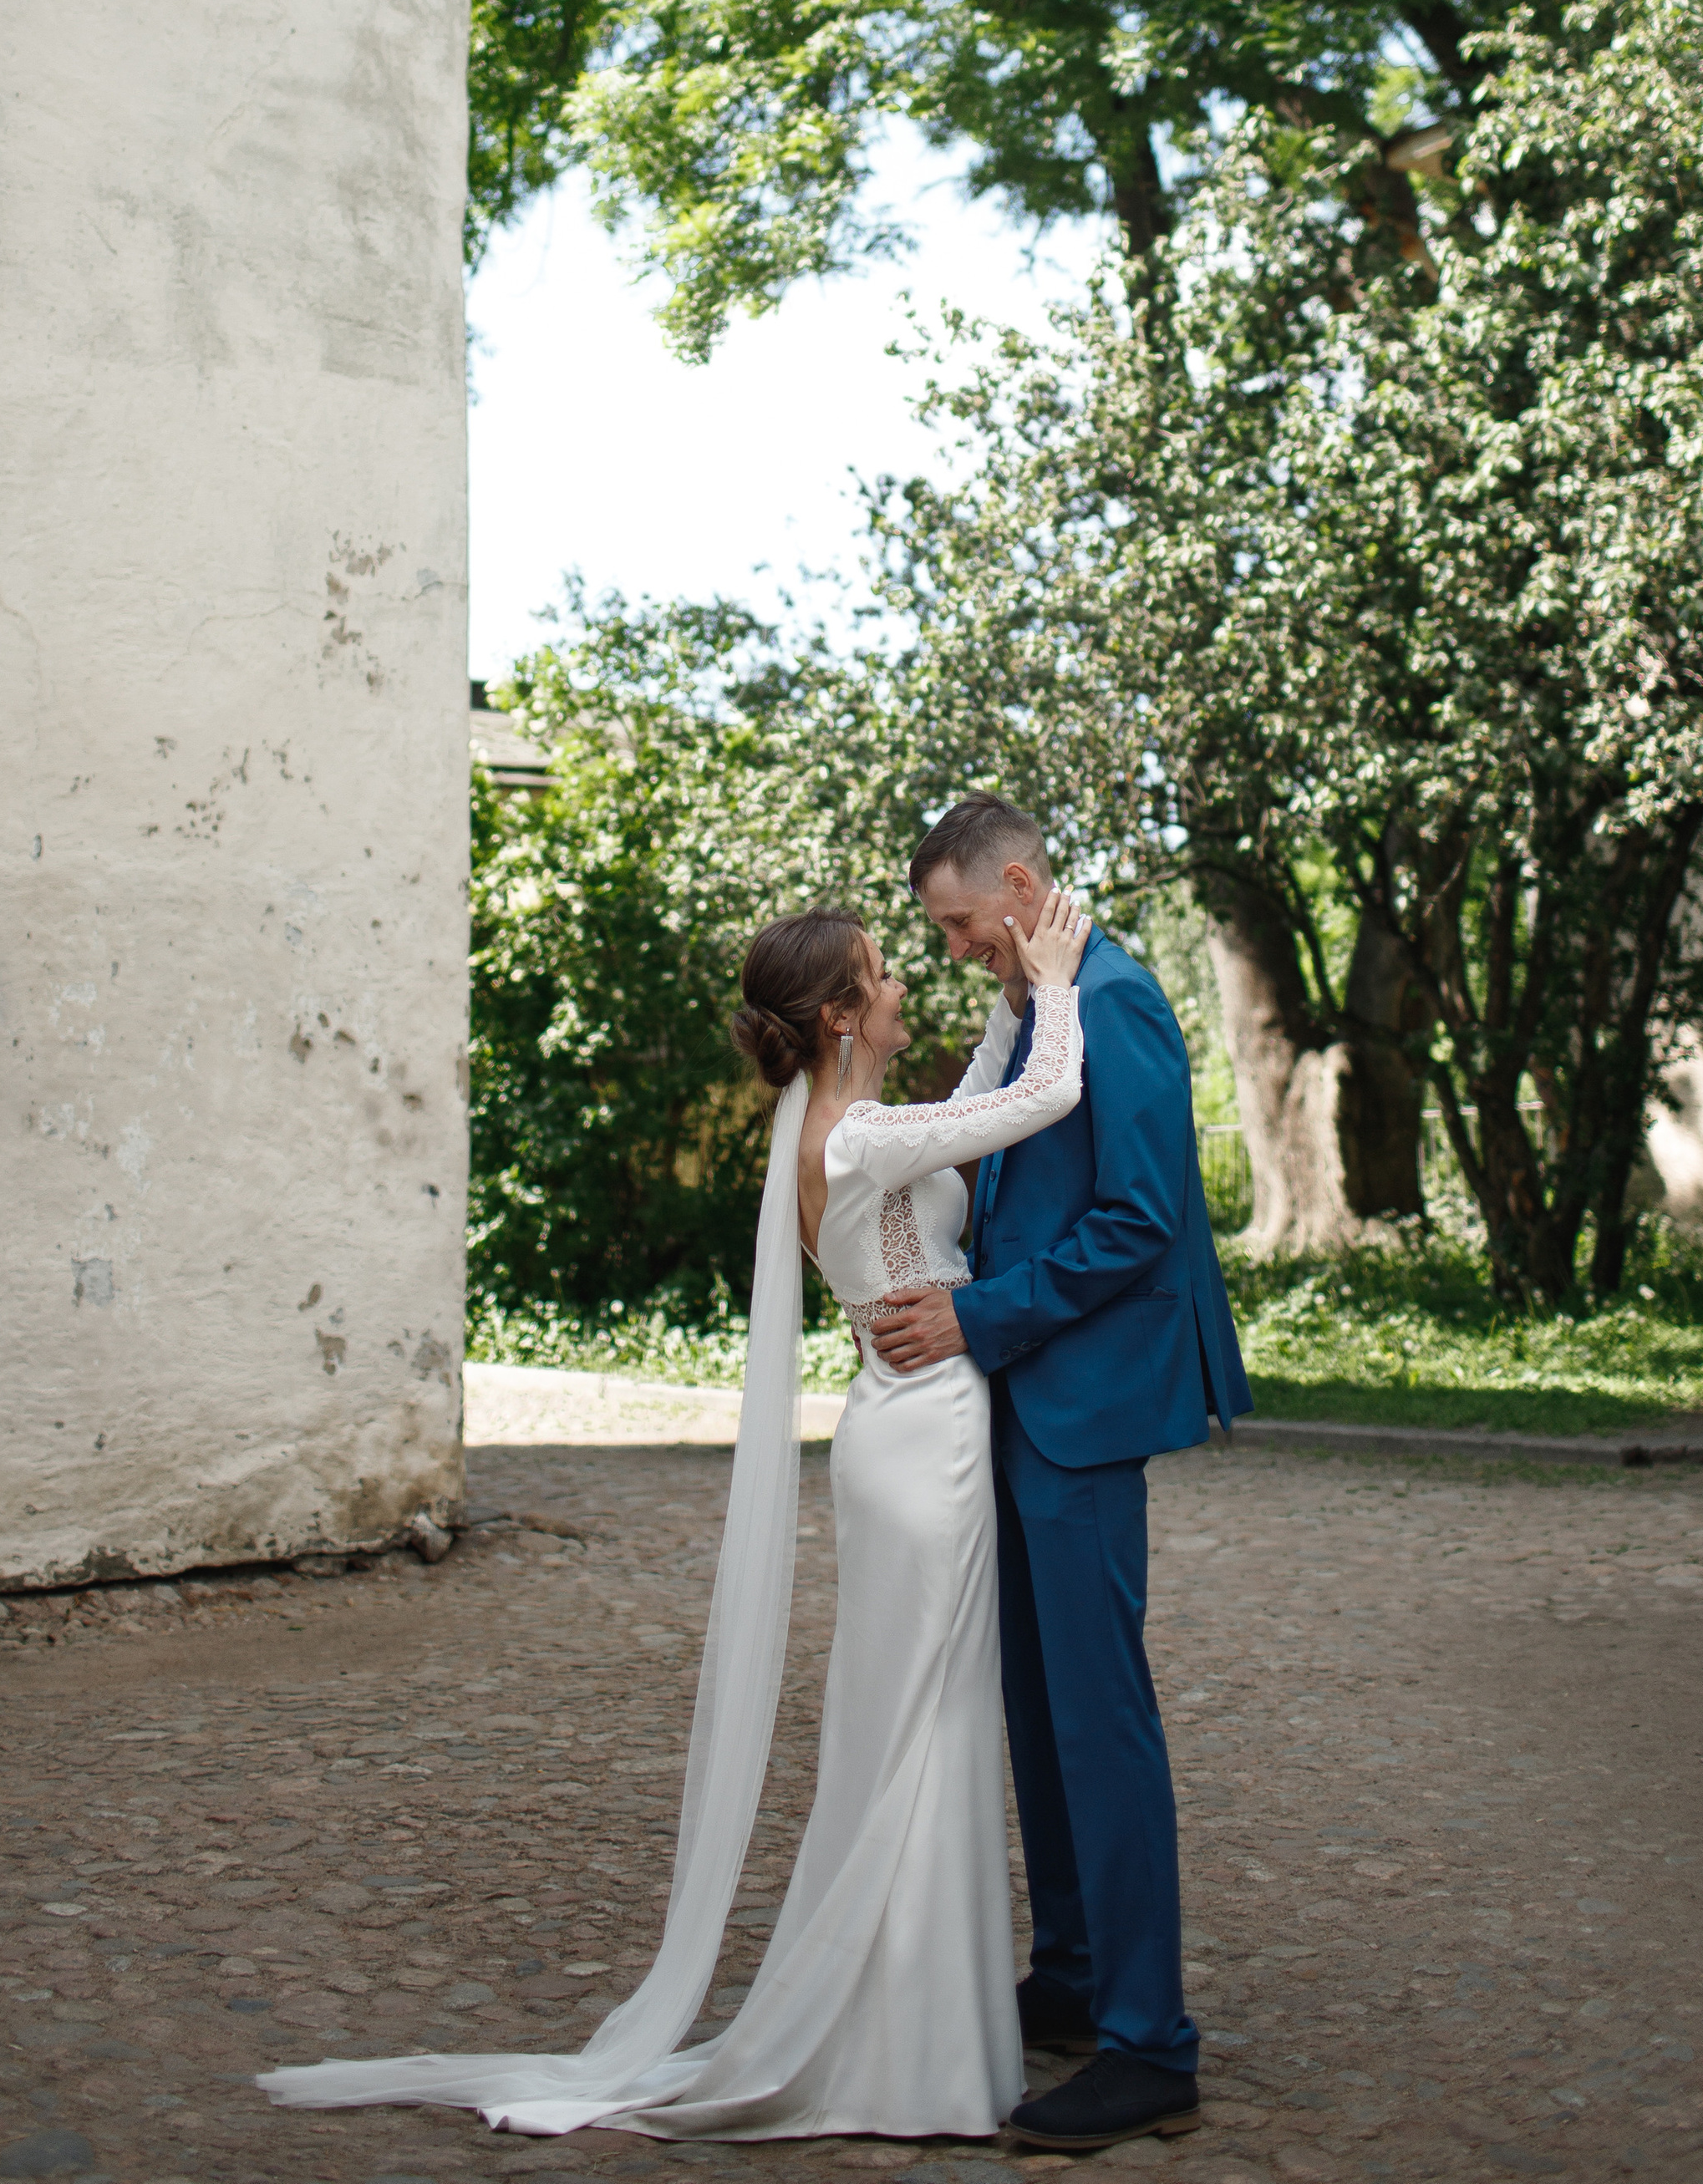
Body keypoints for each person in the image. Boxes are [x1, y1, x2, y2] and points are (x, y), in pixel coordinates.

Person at [258, 886, 1097, 2141]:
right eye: (884, 971)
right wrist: (1066, 989)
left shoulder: (855, 1120)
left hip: (907, 1434)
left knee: (919, 1732)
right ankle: (905, 2049)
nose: (903, 982)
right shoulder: (855, 1139)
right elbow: (1040, 1102)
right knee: (921, 1733)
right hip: (925, 1452)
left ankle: (922, 2030)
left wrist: (1010, 1000)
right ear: (839, 1013)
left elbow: (975, 1102)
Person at [877, 793, 1253, 2153]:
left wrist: (977, 1318)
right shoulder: (1033, 1006)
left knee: (1100, 1717)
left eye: (964, 923)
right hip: (1024, 1400)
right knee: (1037, 1707)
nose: (959, 949)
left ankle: (1153, 2043)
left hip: (1085, 1403)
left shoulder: (1120, 996)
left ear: (1022, 885)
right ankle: (1082, 1972)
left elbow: (1144, 1222)